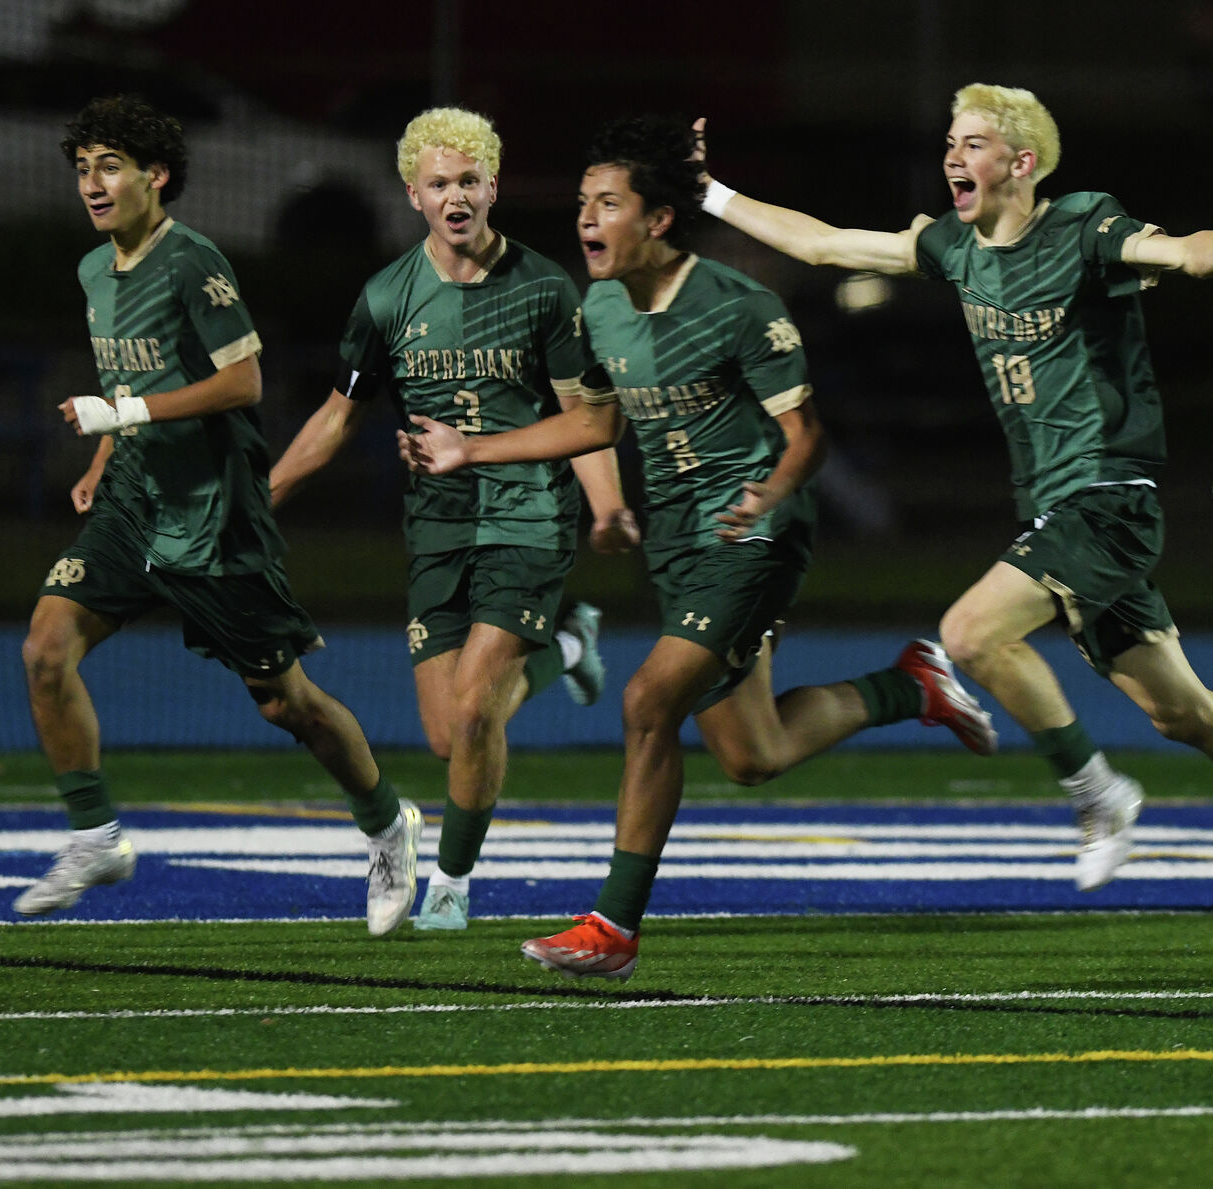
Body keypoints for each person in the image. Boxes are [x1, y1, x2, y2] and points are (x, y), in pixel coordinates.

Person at [693, 85, 1213, 965]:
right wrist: (710, 193)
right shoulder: (955, 244)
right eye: (949, 140)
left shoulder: (1081, 227)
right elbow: (826, 242)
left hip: (1108, 495)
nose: (952, 157)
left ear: (1021, 163)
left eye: (972, 143)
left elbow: (1175, 251)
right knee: (1186, 712)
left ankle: (1098, 793)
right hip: (1057, 505)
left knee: (968, 633)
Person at [401, 115, 998, 979]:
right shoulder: (598, 307)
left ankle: (613, 928)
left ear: (659, 220)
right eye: (581, 203)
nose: (585, 219)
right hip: (679, 544)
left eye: (607, 203)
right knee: (751, 753)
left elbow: (808, 435)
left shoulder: (737, 304)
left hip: (753, 537)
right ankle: (911, 685)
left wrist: (772, 493)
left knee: (647, 702)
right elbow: (595, 421)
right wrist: (471, 448)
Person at [18, 94, 420, 933]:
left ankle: (388, 824)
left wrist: (121, 418)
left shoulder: (193, 260)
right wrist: (103, 454)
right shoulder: (96, 270)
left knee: (286, 703)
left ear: (155, 176)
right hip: (133, 502)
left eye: (110, 166)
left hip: (213, 515)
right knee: (45, 649)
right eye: (82, 167)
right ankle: (95, 835)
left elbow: (245, 384)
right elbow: (128, 385)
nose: (92, 183)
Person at [270, 107, 632, 933]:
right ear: (413, 195)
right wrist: (264, 496)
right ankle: (570, 642)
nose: (456, 195)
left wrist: (606, 505)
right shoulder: (387, 297)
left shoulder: (543, 287)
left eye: (469, 180)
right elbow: (336, 416)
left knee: (474, 707)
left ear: (493, 186)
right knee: (448, 734)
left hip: (529, 513)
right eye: (440, 183)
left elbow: (588, 418)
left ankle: (453, 886)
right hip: (436, 526)